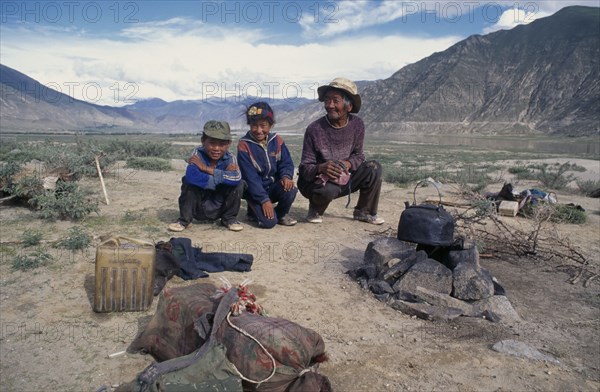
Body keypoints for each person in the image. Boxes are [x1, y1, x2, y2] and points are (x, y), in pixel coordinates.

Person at [298, 77, 384, 225]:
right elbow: (305, 168)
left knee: (374, 168)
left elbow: (358, 156)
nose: (330, 105)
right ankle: (315, 209)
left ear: (348, 106)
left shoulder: (357, 125)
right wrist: (322, 167)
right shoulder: (314, 129)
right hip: (317, 181)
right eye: (327, 100)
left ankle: (364, 211)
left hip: (345, 176)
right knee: (328, 189)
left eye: (335, 101)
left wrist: (348, 164)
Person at [168, 120, 245, 232]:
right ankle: (184, 220)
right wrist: (222, 177)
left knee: (240, 185)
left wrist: (205, 169)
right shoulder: (197, 154)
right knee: (188, 182)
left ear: (228, 144)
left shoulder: (231, 158)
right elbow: (192, 176)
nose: (216, 148)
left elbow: (236, 179)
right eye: (212, 143)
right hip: (199, 207)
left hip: (220, 206)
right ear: (203, 141)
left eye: (222, 144)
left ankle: (229, 219)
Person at [237, 102, 298, 228]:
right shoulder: (244, 145)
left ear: (270, 125)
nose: (259, 130)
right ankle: (255, 208)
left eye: (263, 125)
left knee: (290, 188)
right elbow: (250, 177)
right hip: (254, 190)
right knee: (269, 223)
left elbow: (286, 162)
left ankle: (281, 214)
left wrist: (286, 176)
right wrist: (264, 200)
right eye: (254, 125)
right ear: (249, 125)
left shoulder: (277, 141)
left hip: (272, 186)